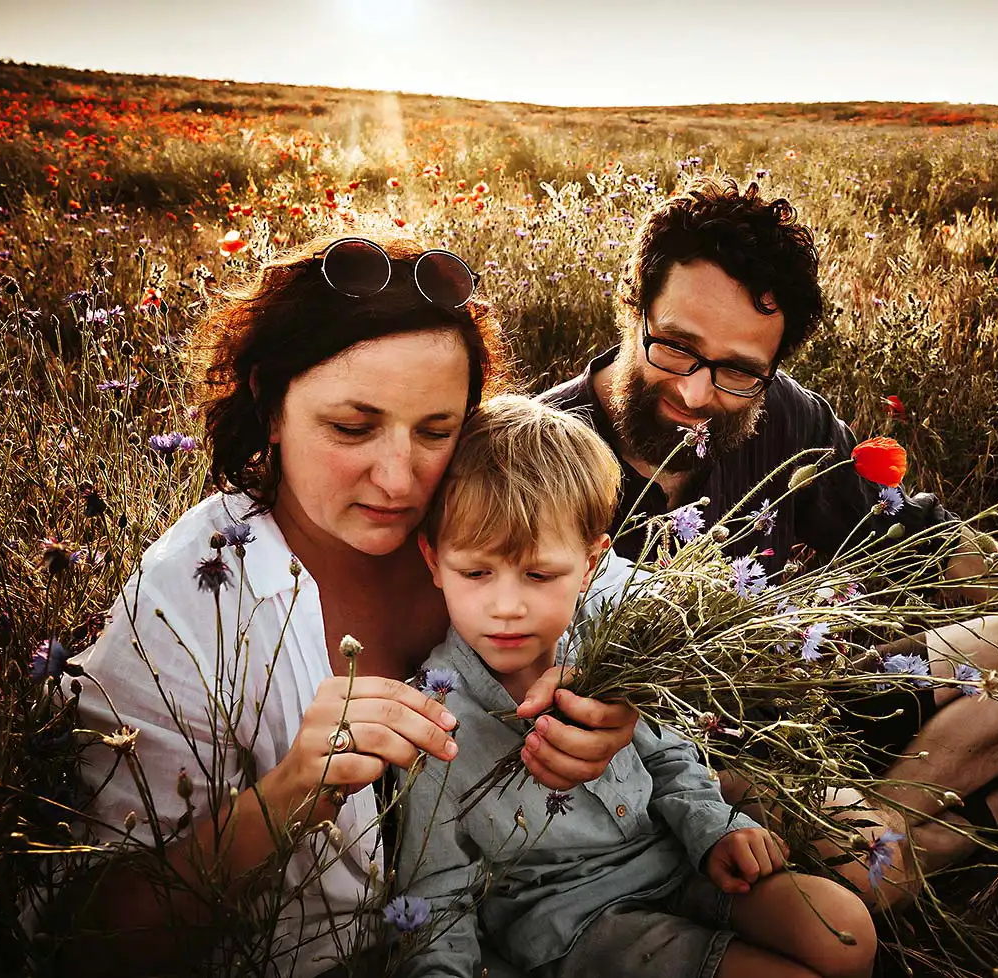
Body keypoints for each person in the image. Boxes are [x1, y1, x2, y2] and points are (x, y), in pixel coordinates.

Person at [539, 178, 998, 903]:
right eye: (676, 347)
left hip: (806, 701)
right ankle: (977, 811)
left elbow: (927, 540)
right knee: (837, 878)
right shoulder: (539, 452)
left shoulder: (787, 419)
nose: (699, 394)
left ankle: (891, 831)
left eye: (738, 370)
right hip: (672, 769)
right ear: (632, 308)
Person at [57, 235, 639, 978]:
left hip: (571, 926)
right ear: (270, 404)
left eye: (437, 430)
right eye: (351, 428)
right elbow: (97, 937)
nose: (399, 480)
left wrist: (619, 692)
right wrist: (294, 790)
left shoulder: (483, 503)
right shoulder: (189, 599)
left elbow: (634, 603)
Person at [396, 394, 877, 978]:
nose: (505, 607)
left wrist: (715, 828)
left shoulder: (607, 642)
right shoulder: (432, 714)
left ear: (592, 564)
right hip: (575, 924)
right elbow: (438, 888)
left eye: (540, 575)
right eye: (475, 573)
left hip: (674, 860)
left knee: (846, 933)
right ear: (433, 560)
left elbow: (669, 753)